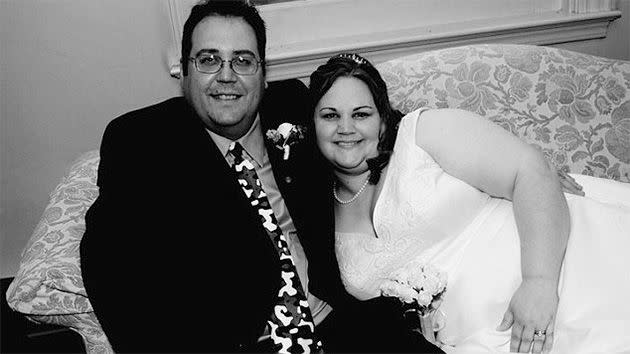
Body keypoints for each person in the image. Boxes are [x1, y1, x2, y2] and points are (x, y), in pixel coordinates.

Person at [79, 1, 443, 352]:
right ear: (185, 72)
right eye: (208, 60)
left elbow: (375, 131)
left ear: (262, 73)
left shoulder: (294, 106)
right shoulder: (142, 141)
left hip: (340, 324)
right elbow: (107, 266)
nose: (226, 76)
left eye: (242, 60)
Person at [308, 53, 630, 354]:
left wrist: (539, 283)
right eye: (330, 116)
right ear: (313, 126)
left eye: (361, 114)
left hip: (553, 265)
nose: (346, 128)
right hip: (477, 340)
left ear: (382, 120)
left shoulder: (420, 135)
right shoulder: (318, 217)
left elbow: (529, 171)